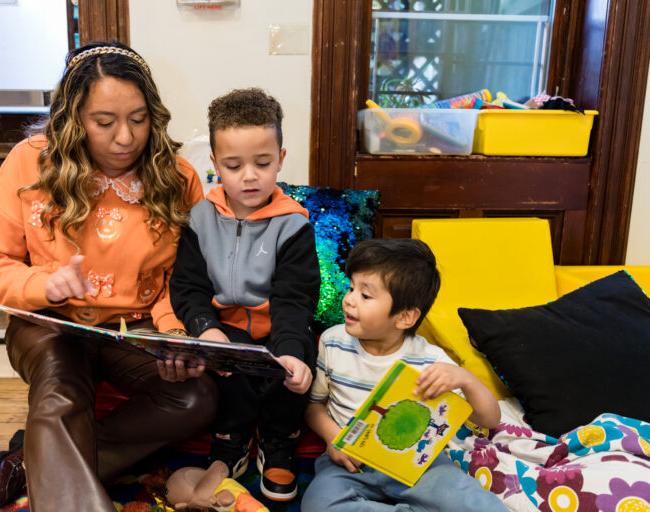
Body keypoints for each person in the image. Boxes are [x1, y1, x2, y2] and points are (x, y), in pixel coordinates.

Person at [0, 41, 217, 512]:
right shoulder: (28, 161)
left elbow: (180, 280)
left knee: (197, 398)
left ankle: (31, 466)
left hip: (136, 329)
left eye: (138, 119)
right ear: (71, 119)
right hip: (48, 324)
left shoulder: (178, 176)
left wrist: (175, 335)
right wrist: (45, 285)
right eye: (104, 122)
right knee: (60, 392)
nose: (125, 137)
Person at [169, 88, 321, 502]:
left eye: (263, 163)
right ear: (215, 165)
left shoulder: (293, 225)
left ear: (281, 160)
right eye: (234, 166)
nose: (249, 176)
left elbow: (295, 300)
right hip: (225, 327)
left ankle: (279, 440)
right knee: (228, 362)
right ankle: (230, 439)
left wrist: (289, 349)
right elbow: (187, 287)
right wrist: (205, 329)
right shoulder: (200, 219)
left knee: (296, 361)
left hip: (279, 327)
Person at [302, 239, 507, 512]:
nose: (349, 299)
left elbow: (490, 419)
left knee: (479, 505)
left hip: (419, 464)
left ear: (405, 317)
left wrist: (465, 379)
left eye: (365, 295)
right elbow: (313, 405)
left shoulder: (430, 360)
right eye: (351, 288)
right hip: (349, 463)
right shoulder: (332, 342)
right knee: (317, 505)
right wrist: (333, 438)